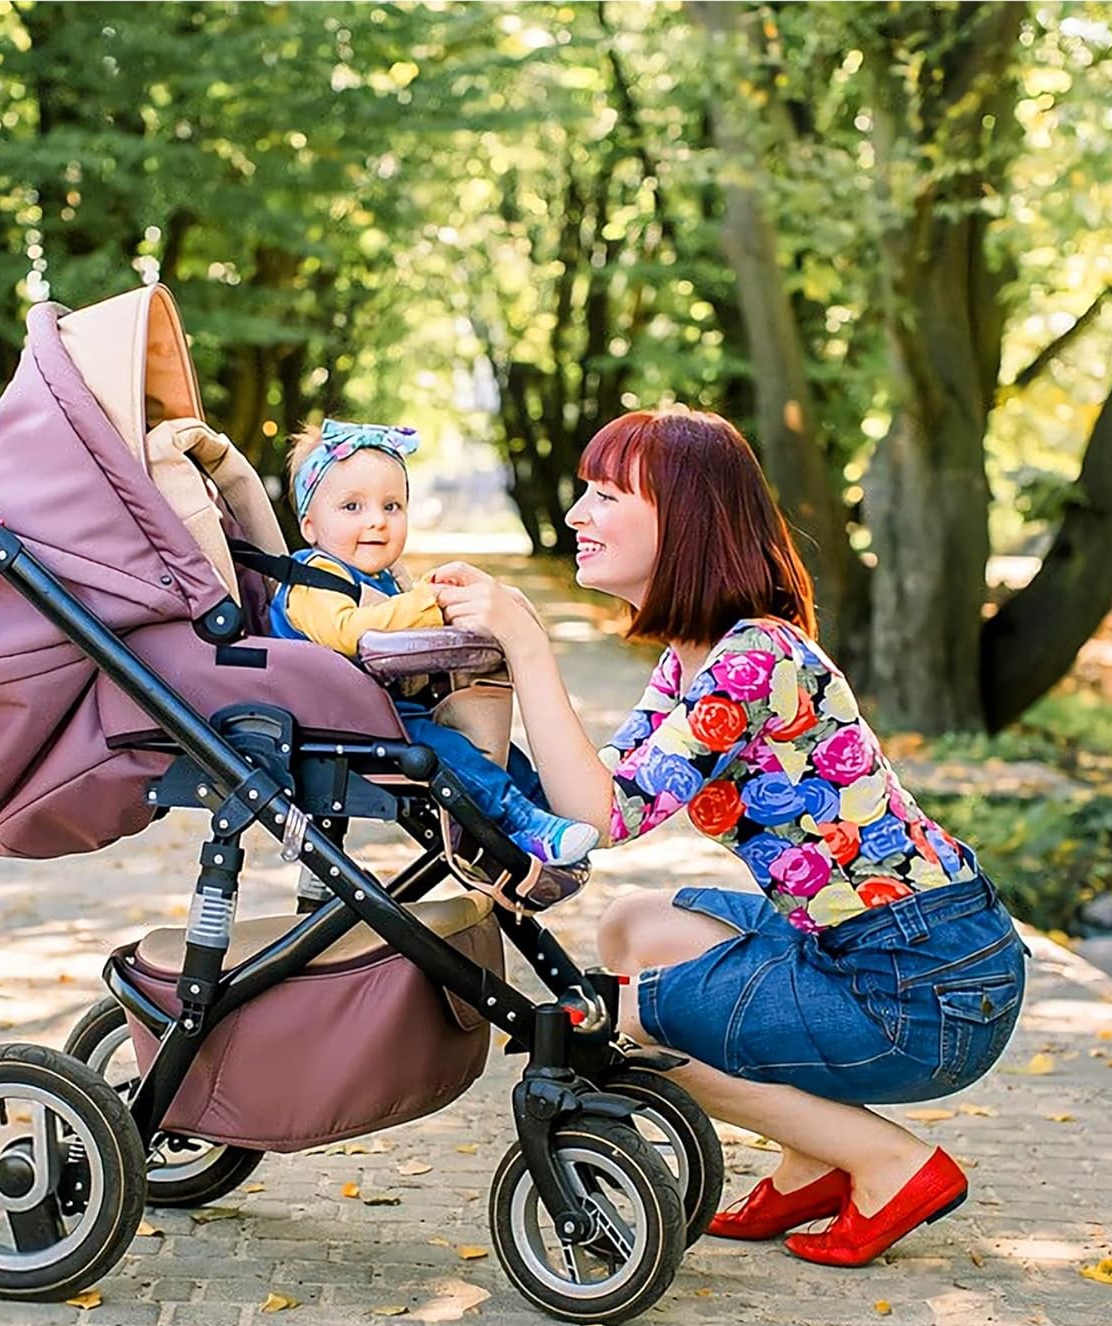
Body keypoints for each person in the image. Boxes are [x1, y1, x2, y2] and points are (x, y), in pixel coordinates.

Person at [431, 406, 1027, 1268]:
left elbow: (602, 818)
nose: (576, 514)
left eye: (606, 495)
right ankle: (813, 1158)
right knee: (634, 927)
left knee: (624, 1020)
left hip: (924, 988)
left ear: (685, 519)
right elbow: (595, 789)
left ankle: (890, 1165)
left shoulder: (753, 660)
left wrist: (526, 643)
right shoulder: (694, 656)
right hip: (872, 948)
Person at [268, 418, 599, 867]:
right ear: (310, 525)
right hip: (336, 718)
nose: (376, 521)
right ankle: (522, 822)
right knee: (447, 751)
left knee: (492, 752)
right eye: (352, 507)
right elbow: (348, 632)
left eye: (392, 506)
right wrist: (429, 604)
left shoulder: (381, 579)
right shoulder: (315, 576)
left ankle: (546, 807)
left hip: (382, 712)